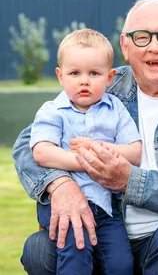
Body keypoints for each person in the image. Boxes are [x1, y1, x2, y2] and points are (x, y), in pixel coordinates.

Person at [13, 0, 158, 275]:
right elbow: (29, 144)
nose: (154, 47)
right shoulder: (102, 83)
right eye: (142, 37)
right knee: (39, 248)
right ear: (125, 45)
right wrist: (60, 184)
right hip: (101, 223)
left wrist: (131, 181)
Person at [29, 28, 142, 274]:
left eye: (94, 73)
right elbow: (42, 153)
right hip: (62, 206)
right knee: (75, 254)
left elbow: (135, 152)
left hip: (106, 206)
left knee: (121, 264)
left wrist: (101, 150)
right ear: (60, 76)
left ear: (110, 77)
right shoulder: (53, 111)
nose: (84, 80)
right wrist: (86, 161)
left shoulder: (116, 110)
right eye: (74, 73)